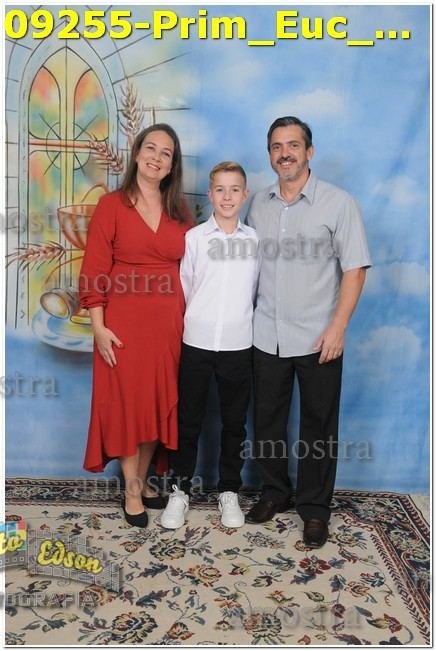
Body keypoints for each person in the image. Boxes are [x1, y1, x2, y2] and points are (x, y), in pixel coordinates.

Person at [246, 116, 371, 548]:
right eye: (277, 146)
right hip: (266, 333)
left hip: (321, 337)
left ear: (309, 152)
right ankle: (275, 492)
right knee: (267, 421)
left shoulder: (339, 203)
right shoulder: (257, 204)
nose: (285, 154)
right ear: (270, 154)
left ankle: (315, 509)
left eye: (293, 145)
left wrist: (338, 327)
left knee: (318, 427)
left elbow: (355, 269)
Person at [79, 124, 192, 528]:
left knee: (155, 406)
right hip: (123, 326)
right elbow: (94, 270)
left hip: (168, 327)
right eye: (151, 148)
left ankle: (141, 481)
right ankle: (131, 491)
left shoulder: (180, 212)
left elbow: (197, 267)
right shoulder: (111, 205)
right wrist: (98, 327)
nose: (156, 157)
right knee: (130, 407)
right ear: (137, 153)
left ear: (172, 165)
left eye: (166, 153)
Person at [160, 161, 259, 529]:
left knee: (234, 423)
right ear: (210, 194)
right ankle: (180, 490)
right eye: (220, 189)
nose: (227, 197)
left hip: (238, 345)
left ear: (245, 194)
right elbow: (186, 286)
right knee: (188, 421)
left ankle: (229, 490)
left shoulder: (255, 242)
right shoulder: (196, 238)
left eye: (234, 190)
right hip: (197, 343)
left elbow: (255, 289)